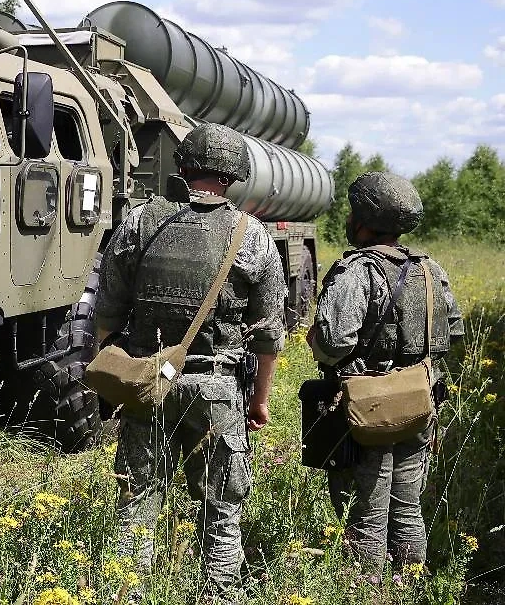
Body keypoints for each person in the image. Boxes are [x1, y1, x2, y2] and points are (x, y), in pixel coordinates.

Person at [94, 123, 287, 600]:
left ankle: (126, 590)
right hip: (218, 389)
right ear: (235, 176)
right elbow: (268, 337)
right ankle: (219, 593)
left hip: (148, 383)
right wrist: (259, 402)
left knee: (138, 496)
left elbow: (106, 313)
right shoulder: (253, 237)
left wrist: (113, 379)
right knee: (222, 503)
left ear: (182, 168)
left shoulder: (139, 221)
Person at [307, 171, 463, 569]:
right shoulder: (431, 270)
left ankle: (367, 590)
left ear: (362, 220)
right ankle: (409, 585)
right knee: (408, 507)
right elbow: (454, 332)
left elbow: (333, 343)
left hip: (367, 409)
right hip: (420, 401)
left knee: (365, 513)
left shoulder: (356, 271)